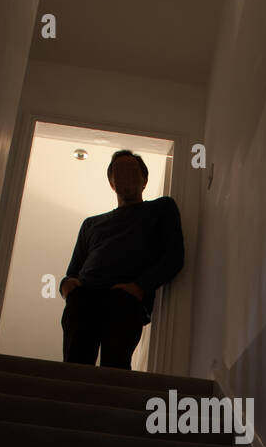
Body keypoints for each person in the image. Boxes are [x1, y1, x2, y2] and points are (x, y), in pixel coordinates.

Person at [58, 149, 184, 369]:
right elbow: (73, 271)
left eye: (132, 170)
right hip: (84, 296)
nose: (126, 175)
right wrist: (67, 286)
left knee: (115, 367)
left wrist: (140, 287)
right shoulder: (91, 224)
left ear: (145, 180)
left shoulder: (161, 208)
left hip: (125, 298)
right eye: (119, 171)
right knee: (74, 365)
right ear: (111, 183)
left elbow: (174, 256)